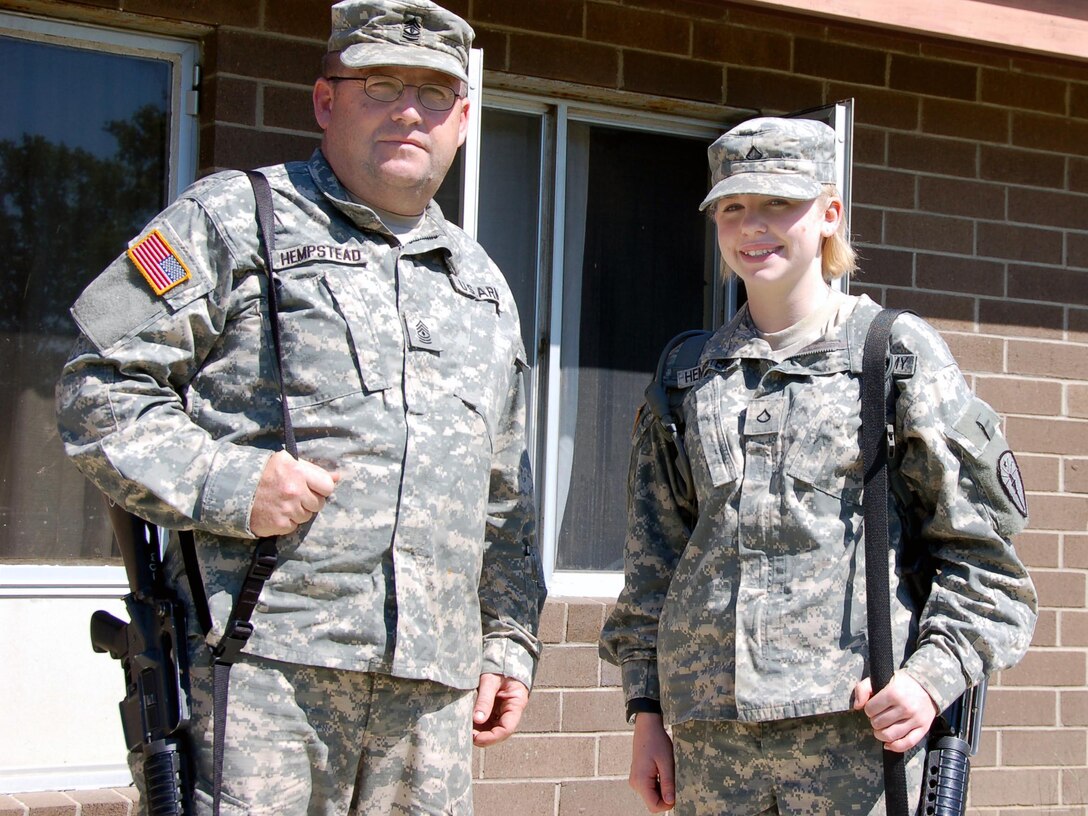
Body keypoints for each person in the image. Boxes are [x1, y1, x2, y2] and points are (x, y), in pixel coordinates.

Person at [56, 1, 546, 813]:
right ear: (326, 100)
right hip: (262, 674)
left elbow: (506, 495)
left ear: (463, 116)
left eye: (433, 93)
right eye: (380, 84)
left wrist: (508, 640)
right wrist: (227, 482)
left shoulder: (481, 284)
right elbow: (97, 390)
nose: (408, 111)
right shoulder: (233, 219)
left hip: (429, 693)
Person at [599, 117, 1037, 816]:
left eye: (779, 203)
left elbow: (985, 565)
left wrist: (929, 680)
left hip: (855, 746)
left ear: (830, 214)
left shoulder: (893, 358)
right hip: (714, 750)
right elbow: (655, 564)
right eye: (734, 208)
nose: (754, 227)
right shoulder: (689, 375)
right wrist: (646, 709)